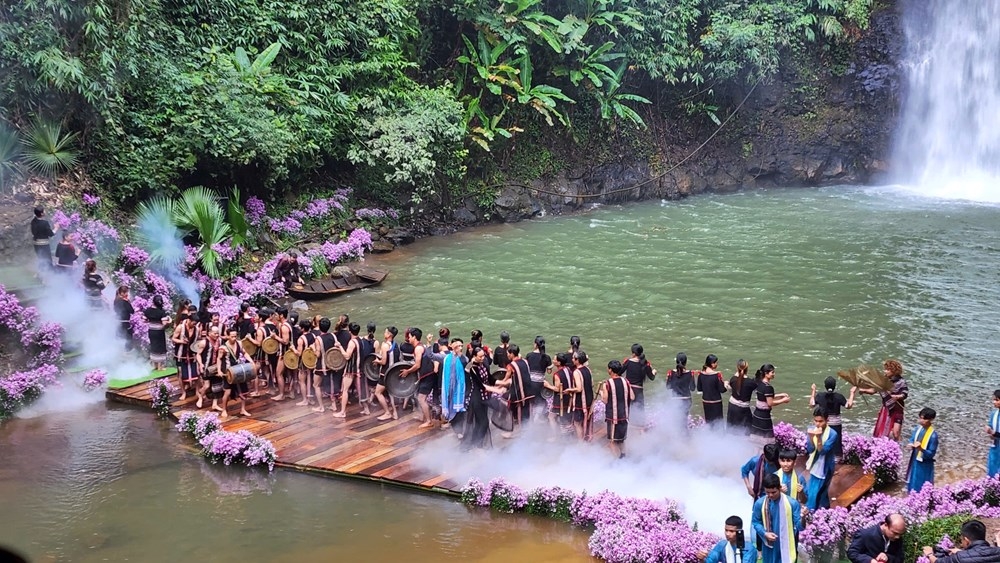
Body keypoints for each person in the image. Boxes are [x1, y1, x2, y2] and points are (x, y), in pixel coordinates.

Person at [751, 473, 802, 563]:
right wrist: (765, 533)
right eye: (767, 492)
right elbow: (756, 522)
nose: (770, 495)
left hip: (787, 544)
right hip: (769, 545)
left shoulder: (792, 503)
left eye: (773, 492)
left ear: (780, 488)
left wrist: (804, 518)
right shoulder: (760, 503)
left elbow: (800, 526)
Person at [855, 359, 908, 441]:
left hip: (897, 409)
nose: (885, 371)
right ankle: (884, 445)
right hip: (886, 408)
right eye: (885, 369)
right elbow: (873, 391)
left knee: (896, 432)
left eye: (887, 369)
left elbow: (904, 394)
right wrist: (864, 391)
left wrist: (897, 397)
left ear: (894, 371)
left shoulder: (901, 382)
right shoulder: (883, 381)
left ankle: (899, 447)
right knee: (884, 431)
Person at [461, 346, 503, 451]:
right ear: (474, 356)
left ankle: (475, 444)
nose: (483, 358)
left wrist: (504, 382)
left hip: (484, 397)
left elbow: (490, 379)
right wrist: (496, 390)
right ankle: (477, 446)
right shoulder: (470, 367)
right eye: (480, 356)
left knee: (480, 422)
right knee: (484, 422)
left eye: (483, 356)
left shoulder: (482, 364)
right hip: (476, 398)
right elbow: (481, 385)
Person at [810, 376, 854, 459]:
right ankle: (837, 457)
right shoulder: (839, 396)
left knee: (823, 439)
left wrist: (813, 391)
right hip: (836, 424)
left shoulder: (820, 396)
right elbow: (848, 406)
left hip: (823, 423)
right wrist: (852, 393)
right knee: (836, 441)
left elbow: (812, 404)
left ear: (825, 386)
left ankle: (822, 455)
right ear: (834, 386)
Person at [804, 407, 838, 510]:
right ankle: (817, 510)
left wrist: (818, 438)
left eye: (821, 421)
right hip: (815, 464)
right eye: (816, 421)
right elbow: (810, 450)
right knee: (814, 492)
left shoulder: (833, 434)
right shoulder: (812, 430)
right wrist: (811, 438)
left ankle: (820, 511)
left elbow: (822, 451)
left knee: (821, 491)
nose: (818, 424)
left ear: (827, 420)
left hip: (825, 467)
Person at [921, 519, 1000, 563]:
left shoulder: (960, 558)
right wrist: (961, 552)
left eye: (961, 540)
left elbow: (937, 562)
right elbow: (979, 556)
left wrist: (929, 554)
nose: (961, 543)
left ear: (966, 540)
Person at [600, 360, 634, 459]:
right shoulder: (626, 381)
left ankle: (617, 462)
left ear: (610, 370)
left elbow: (605, 400)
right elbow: (632, 397)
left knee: (612, 441)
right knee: (621, 440)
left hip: (613, 418)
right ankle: (624, 458)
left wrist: (601, 394)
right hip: (624, 416)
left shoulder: (607, 384)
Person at [334, 322, 368, 419]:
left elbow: (347, 356)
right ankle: (366, 409)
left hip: (351, 369)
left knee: (345, 390)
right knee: (360, 389)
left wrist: (340, 346)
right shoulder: (361, 340)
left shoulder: (352, 342)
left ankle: (342, 412)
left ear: (350, 331)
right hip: (359, 368)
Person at [218, 328, 252, 420]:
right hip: (228, 372)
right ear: (228, 336)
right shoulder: (223, 348)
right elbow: (219, 359)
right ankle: (224, 409)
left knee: (244, 390)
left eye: (235, 336)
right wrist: (219, 370)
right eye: (232, 336)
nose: (234, 338)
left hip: (239, 370)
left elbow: (244, 353)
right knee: (227, 392)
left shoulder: (239, 343)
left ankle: (243, 409)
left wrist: (251, 361)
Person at [751, 364, 790, 440]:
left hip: (757, 414)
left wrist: (780, 395)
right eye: (772, 372)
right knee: (767, 438)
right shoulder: (768, 387)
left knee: (756, 436)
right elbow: (770, 403)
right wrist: (783, 400)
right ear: (766, 373)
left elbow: (765, 396)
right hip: (764, 416)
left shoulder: (759, 383)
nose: (774, 374)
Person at [906, 407, 938, 492]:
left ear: (931, 419)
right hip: (914, 459)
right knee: (912, 480)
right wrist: (911, 444)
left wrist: (921, 449)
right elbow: (912, 439)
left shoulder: (933, 436)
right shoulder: (918, 429)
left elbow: (931, 454)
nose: (921, 421)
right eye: (920, 418)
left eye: (924, 419)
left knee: (922, 484)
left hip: (924, 463)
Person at [623, 344, 655, 427]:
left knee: (628, 410)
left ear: (633, 353)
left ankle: (627, 429)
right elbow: (651, 377)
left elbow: (619, 372)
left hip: (628, 390)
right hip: (638, 391)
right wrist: (654, 372)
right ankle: (639, 431)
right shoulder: (645, 363)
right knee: (639, 412)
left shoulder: (628, 362)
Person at [373, 326, 400, 420]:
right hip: (393, 373)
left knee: (378, 393)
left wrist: (377, 361)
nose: (384, 333)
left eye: (385, 332)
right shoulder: (395, 345)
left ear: (389, 335)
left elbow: (384, 362)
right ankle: (395, 413)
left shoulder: (385, 346)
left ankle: (387, 412)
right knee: (390, 392)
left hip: (385, 373)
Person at [441, 338, 467, 429]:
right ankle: (450, 421)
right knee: (449, 403)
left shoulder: (464, 358)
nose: (460, 348)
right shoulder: (446, 357)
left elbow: (466, 365)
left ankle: (459, 430)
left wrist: (459, 354)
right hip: (449, 386)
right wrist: (428, 343)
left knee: (459, 407)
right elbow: (431, 356)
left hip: (459, 387)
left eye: (461, 346)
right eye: (458, 346)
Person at [568, 350, 594, 441]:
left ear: (577, 360)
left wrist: (569, 390)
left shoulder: (576, 372)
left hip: (580, 402)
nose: (572, 359)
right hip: (589, 399)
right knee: (585, 421)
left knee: (577, 423)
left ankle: (580, 443)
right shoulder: (588, 369)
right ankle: (586, 438)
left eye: (573, 358)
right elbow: (592, 384)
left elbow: (579, 389)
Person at [525, 336, 552, 422]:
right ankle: (537, 418)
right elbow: (549, 372)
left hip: (530, 383)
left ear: (536, 344)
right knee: (540, 402)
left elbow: (526, 368)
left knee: (531, 401)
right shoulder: (547, 357)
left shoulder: (529, 355)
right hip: (540, 383)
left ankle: (531, 419)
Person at [666, 352, 696, 425]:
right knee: (684, 420)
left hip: (675, 400)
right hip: (686, 399)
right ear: (686, 362)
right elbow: (692, 388)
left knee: (676, 420)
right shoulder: (690, 373)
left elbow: (668, 387)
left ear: (676, 361)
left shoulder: (671, 373)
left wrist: (668, 379)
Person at [727, 359, 756, 434]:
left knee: (731, 429)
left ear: (737, 368)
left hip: (732, 406)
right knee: (746, 430)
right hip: (743, 409)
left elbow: (731, 389)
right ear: (747, 369)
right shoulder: (751, 383)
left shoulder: (733, 379)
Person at [698, 354, 728, 426]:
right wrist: (725, 384)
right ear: (712, 364)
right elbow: (722, 390)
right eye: (716, 362)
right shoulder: (717, 375)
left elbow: (699, 388)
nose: (717, 364)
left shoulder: (701, 374)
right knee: (718, 423)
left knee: (709, 422)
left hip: (706, 402)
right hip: (716, 402)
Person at [143, 295, 171, 370]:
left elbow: (144, 320)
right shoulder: (161, 311)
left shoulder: (148, 310)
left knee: (153, 347)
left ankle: (155, 365)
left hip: (151, 331)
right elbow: (164, 323)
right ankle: (160, 366)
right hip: (159, 332)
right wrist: (169, 321)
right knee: (160, 348)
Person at [30, 206, 55, 274]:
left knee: (41, 258)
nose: (45, 211)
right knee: (48, 260)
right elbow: (51, 234)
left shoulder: (33, 221)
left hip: (36, 244)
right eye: (44, 211)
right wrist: (56, 228)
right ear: (42, 213)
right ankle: (49, 274)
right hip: (43, 244)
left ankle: (41, 272)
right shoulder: (44, 223)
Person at [113, 285, 134, 351]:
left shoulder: (116, 300)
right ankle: (127, 351)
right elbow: (132, 311)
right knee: (128, 338)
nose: (127, 294)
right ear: (122, 293)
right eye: (127, 292)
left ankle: (118, 350)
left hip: (118, 322)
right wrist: (128, 302)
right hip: (125, 322)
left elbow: (116, 310)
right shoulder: (125, 302)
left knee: (120, 336)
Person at [987, 390, 1000, 477]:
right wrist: (989, 431)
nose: (994, 402)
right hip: (995, 447)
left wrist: (994, 433)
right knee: (992, 470)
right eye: (994, 399)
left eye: (997, 400)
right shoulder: (994, 414)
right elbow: (991, 426)